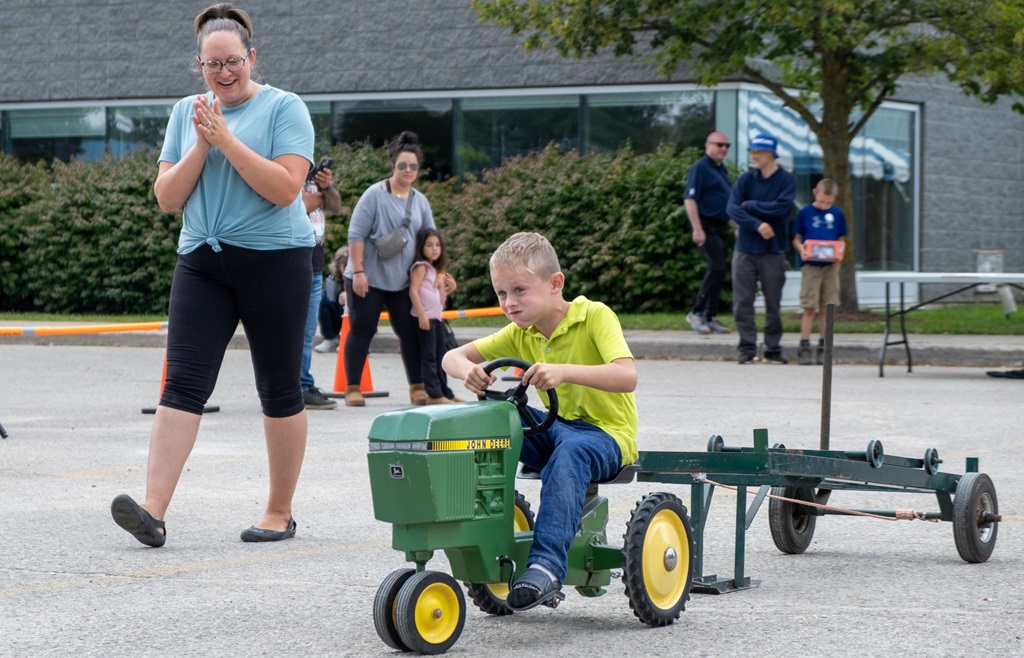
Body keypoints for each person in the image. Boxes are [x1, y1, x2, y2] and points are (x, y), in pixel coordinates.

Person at [110, 3, 314, 547]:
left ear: (252, 57)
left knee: (279, 387)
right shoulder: (187, 112)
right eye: (211, 64)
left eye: (233, 62)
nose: (224, 73)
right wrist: (201, 142)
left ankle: (278, 511)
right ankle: (152, 509)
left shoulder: (285, 108)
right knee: (182, 384)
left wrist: (225, 139)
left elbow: (285, 188)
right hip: (203, 262)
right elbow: (167, 197)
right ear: (198, 65)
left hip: (276, 263)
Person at [442, 232, 638, 611]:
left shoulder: (595, 315)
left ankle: (546, 567)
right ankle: (480, 537)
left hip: (606, 435)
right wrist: (468, 372)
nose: (509, 303)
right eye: (501, 294)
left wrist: (564, 371)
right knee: (492, 413)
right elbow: (452, 355)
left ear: (555, 284)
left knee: (572, 450)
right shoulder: (521, 331)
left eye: (519, 290)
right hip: (554, 429)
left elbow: (626, 376)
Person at [342, 131, 436, 407]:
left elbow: (431, 238)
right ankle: (352, 387)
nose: (408, 171)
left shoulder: (420, 201)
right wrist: (358, 272)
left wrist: (437, 275)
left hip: (404, 281)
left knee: (409, 331)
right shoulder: (374, 195)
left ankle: (417, 386)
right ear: (393, 166)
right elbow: (356, 235)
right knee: (362, 328)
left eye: (413, 166)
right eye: (402, 166)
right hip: (368, 277)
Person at [727, 133, 797, 364]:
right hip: (745, 249)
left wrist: (751, 205)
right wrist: (758, 225)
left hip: (773, 251)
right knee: (742, 301)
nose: (753, 156)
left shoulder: (787, 180)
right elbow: (732, 209)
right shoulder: (747, 179)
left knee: (773, 302)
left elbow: (781, 208)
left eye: (757, 152)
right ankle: (747, 348)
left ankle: (772, 349)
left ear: (770, 154)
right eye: (752, 152)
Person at [791, 178, 848, 365]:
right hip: (811, 267)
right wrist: (802, 249)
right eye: (822, 201)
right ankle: (804, 346)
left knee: (828, 307)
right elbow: (796, 238)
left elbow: (841, 239)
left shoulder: (838, 214)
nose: (825, 205)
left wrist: (840, 251)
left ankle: (825, 347)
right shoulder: (805, 213)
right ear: (815, 192)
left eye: (829, 202)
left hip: (830, 267)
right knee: (809, 306)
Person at [300, 163, 342, 409]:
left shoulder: (314, 176)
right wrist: (314, 201)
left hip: (314, 263)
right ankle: (291, 387)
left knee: (307, 333)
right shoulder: (286, 170)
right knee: (293, 331)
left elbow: (335, 206)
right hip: (293, 258)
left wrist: (327, 188)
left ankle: (303, 384)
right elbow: (293, 207)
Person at [684, 132, 734, 335]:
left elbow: (724, 204)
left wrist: (737, 226)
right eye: (719, 144)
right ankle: (696, 313)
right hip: (706, 225)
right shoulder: (701, 167)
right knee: (716, 266)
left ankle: (710, 316)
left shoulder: (721, 170)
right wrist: (697, 228)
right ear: (708, 145)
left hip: (720, 226)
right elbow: (690, 199)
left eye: (726, 145)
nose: (723, 148)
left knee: (720, 269)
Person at [409, 227, 461, 404]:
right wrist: (422, 315)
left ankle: (445, 392)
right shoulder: (421, 267)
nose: (434, 249)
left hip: (437, 318)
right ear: (421, 248)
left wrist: (450, 287)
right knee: (429, 356)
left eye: (438, 245)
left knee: (441, 356)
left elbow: (438, 295)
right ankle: (433, 393)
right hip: (424, 318)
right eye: (429, 245)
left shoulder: (437, 269)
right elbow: (413, 291)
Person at [315, 245, 348, 353]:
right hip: (339, 315)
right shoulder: (333, 281)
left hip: (355, 318)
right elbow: (331, 303)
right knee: (321, 299)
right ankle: (330, 338)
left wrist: (351, 296)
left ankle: (351, 341)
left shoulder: (360, 278)